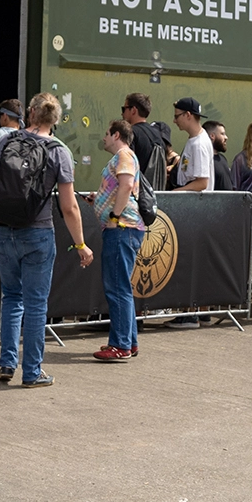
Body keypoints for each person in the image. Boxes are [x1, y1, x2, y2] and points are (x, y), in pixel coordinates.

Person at [0, 91, 92, 386]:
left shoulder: (5, 142)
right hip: (38, 231)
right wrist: (81, 244)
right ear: (55, 119)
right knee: (35, 304)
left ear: (30, 113)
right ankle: (31, 372)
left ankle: (6, 363)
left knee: (11, 297)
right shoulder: (59, 151)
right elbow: (69, 207)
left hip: (2, 230)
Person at [91, 119, 145, 363]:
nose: (104, 138)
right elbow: (120, 188)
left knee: (116, 287)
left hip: (121, 228)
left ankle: (120, 344)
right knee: (121, 286)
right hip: (124, 228)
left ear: (115, 135)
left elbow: (125, 186)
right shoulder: (125, 157)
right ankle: (128, 341)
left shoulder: (124, 155)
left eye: (106, 134)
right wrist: (100, 199)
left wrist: (113, 216)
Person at [120, 92, 171, 188]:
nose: (122, 113)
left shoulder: (130, 133)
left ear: (133, 110)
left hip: (137, 193)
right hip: (154, 194)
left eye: (124, 109)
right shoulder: (159, 135)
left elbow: (127, 168)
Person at [166, 97, 213, 192]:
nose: (174, 121)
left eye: (176, 116)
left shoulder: (199, 144)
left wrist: (176, 192)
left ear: (188, 115)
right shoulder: (195, 139)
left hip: (194, 204)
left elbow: (202, 183)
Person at [203, 118, 235, 191]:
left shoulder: (222, 158)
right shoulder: (205, 160)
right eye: (222, 134)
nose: (226, 137)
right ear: (212, 136)